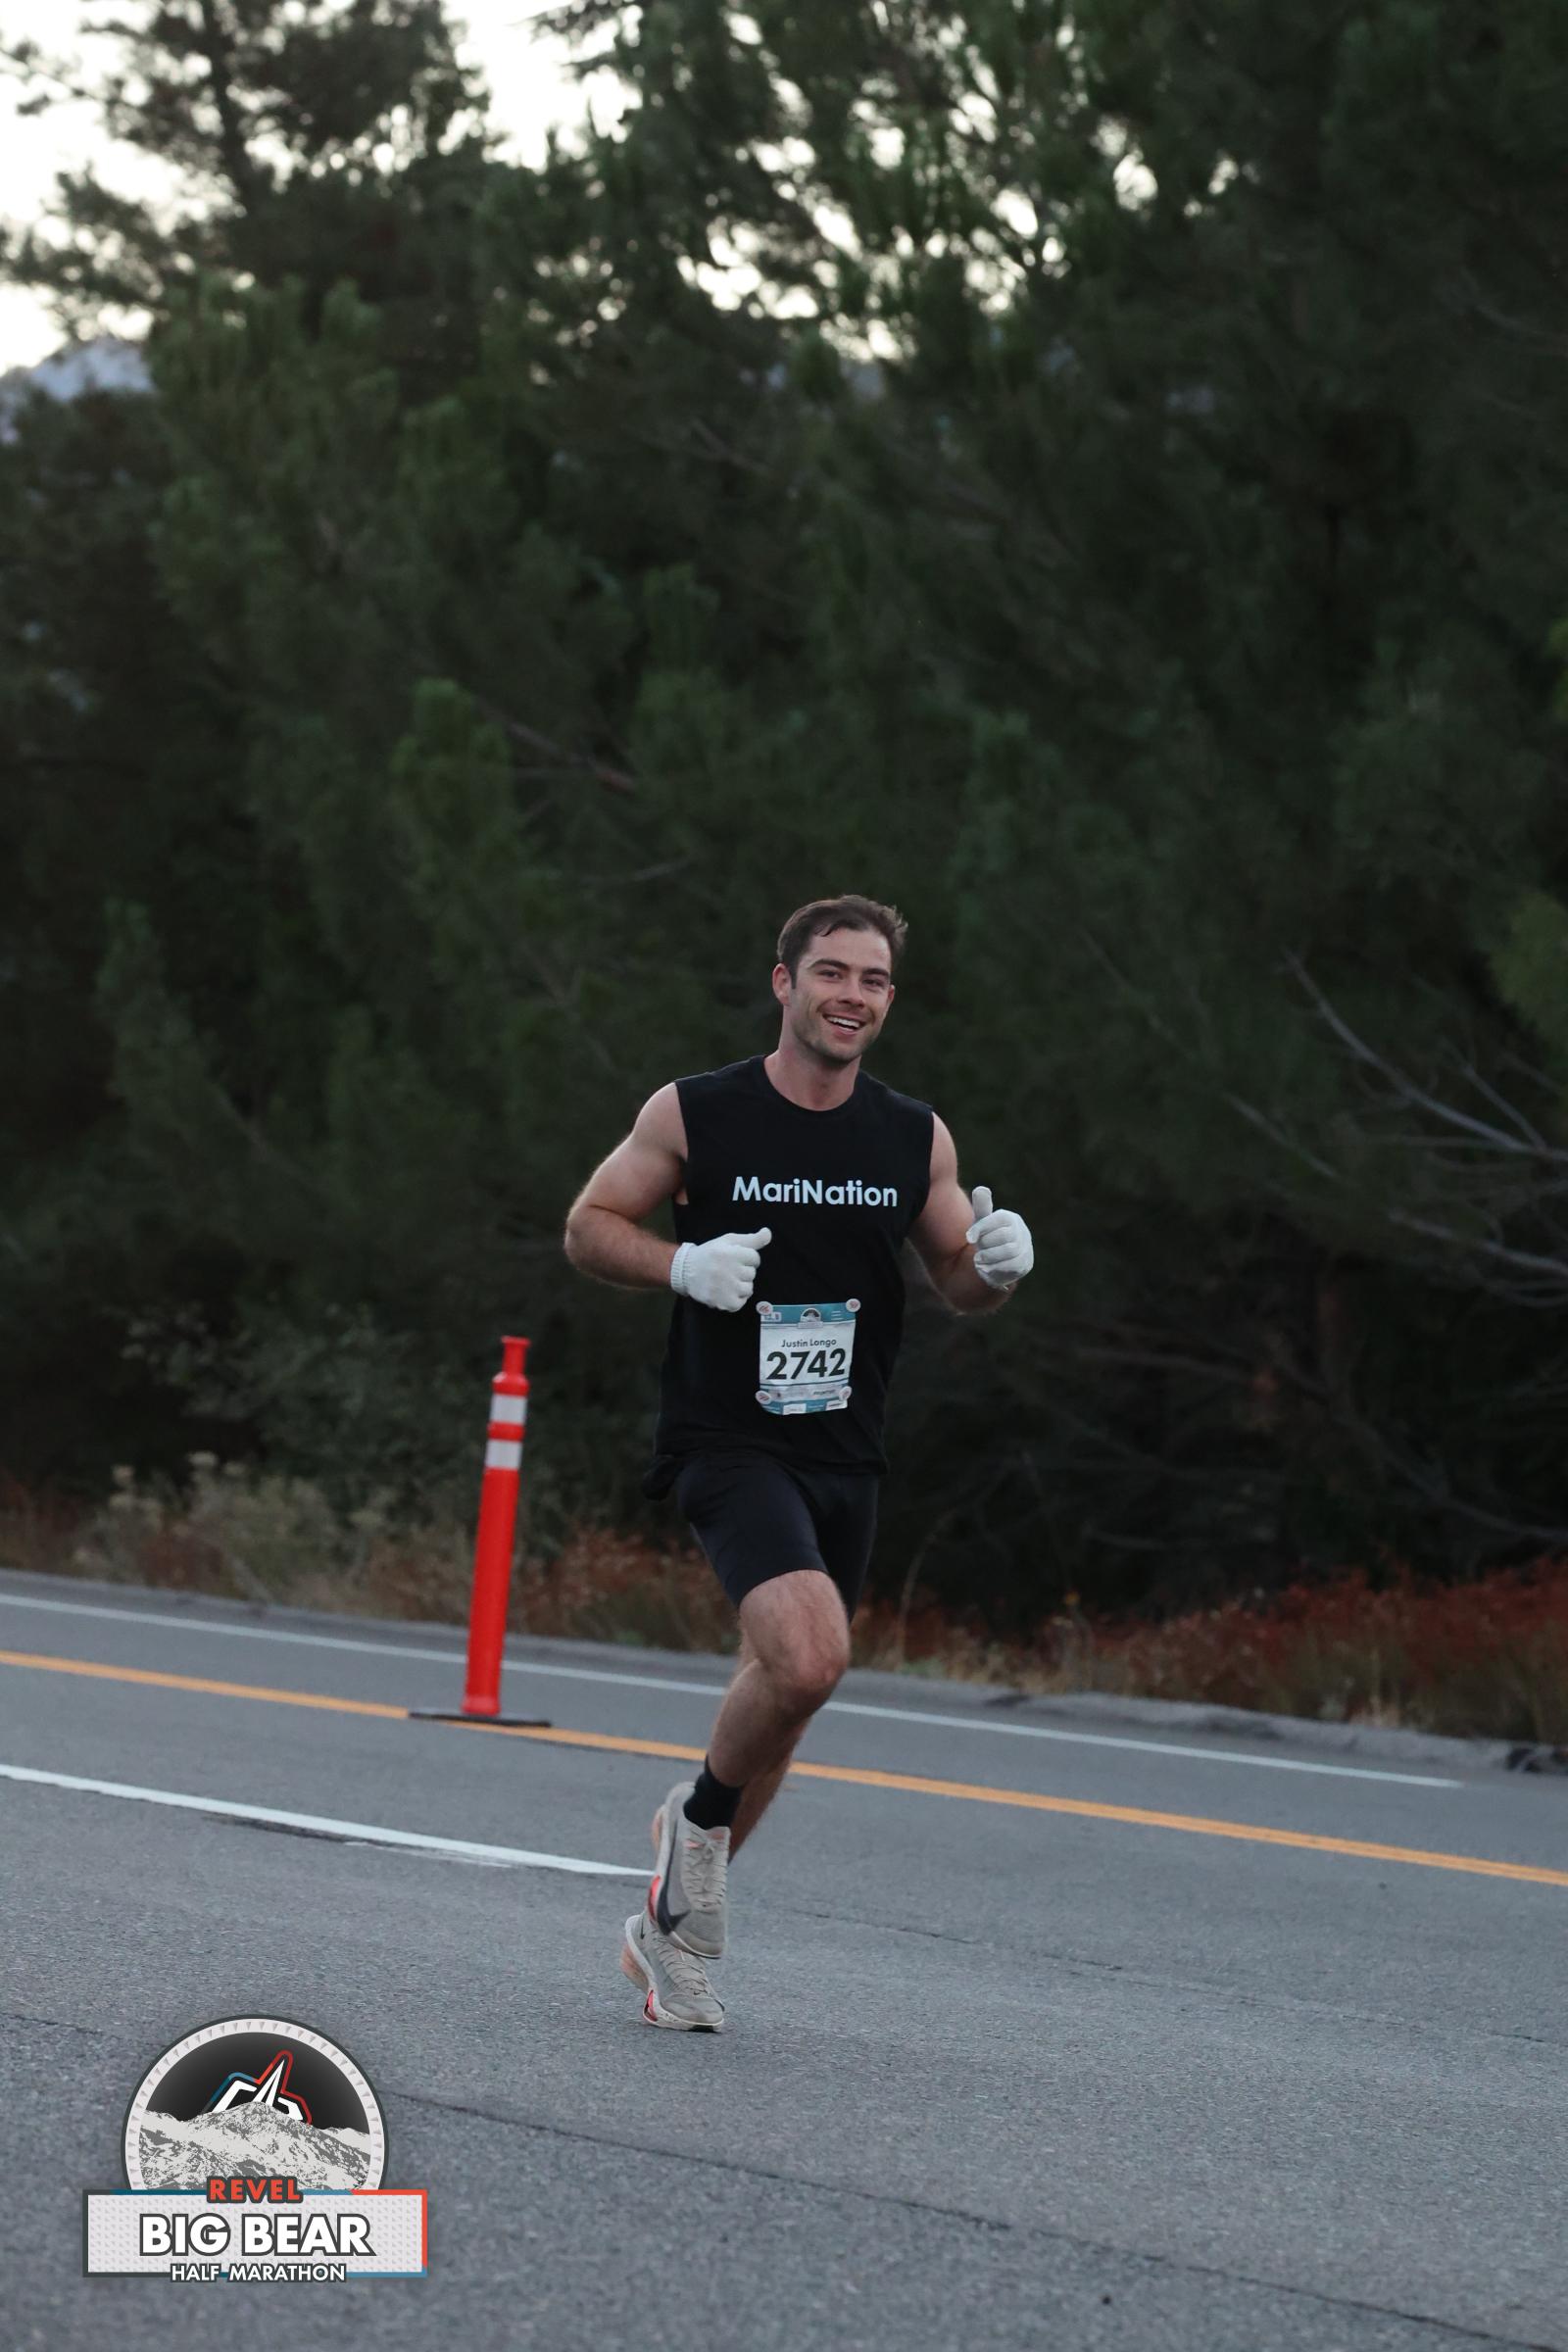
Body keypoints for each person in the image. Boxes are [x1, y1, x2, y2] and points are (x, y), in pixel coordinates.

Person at [563, 894, 1033, 2030]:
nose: (850, 997)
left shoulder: (911, 1134)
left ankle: (669, 1937)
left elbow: (955, 1279)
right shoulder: (697, 1111)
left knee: (783, 1701)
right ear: (784, 983)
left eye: (872, 981)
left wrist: (997, 1268)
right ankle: (697, 1826)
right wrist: (681, 1267)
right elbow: (589, 1226)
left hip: (843, 1448)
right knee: (811, 1658)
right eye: (831, 973)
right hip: (728, 1438)